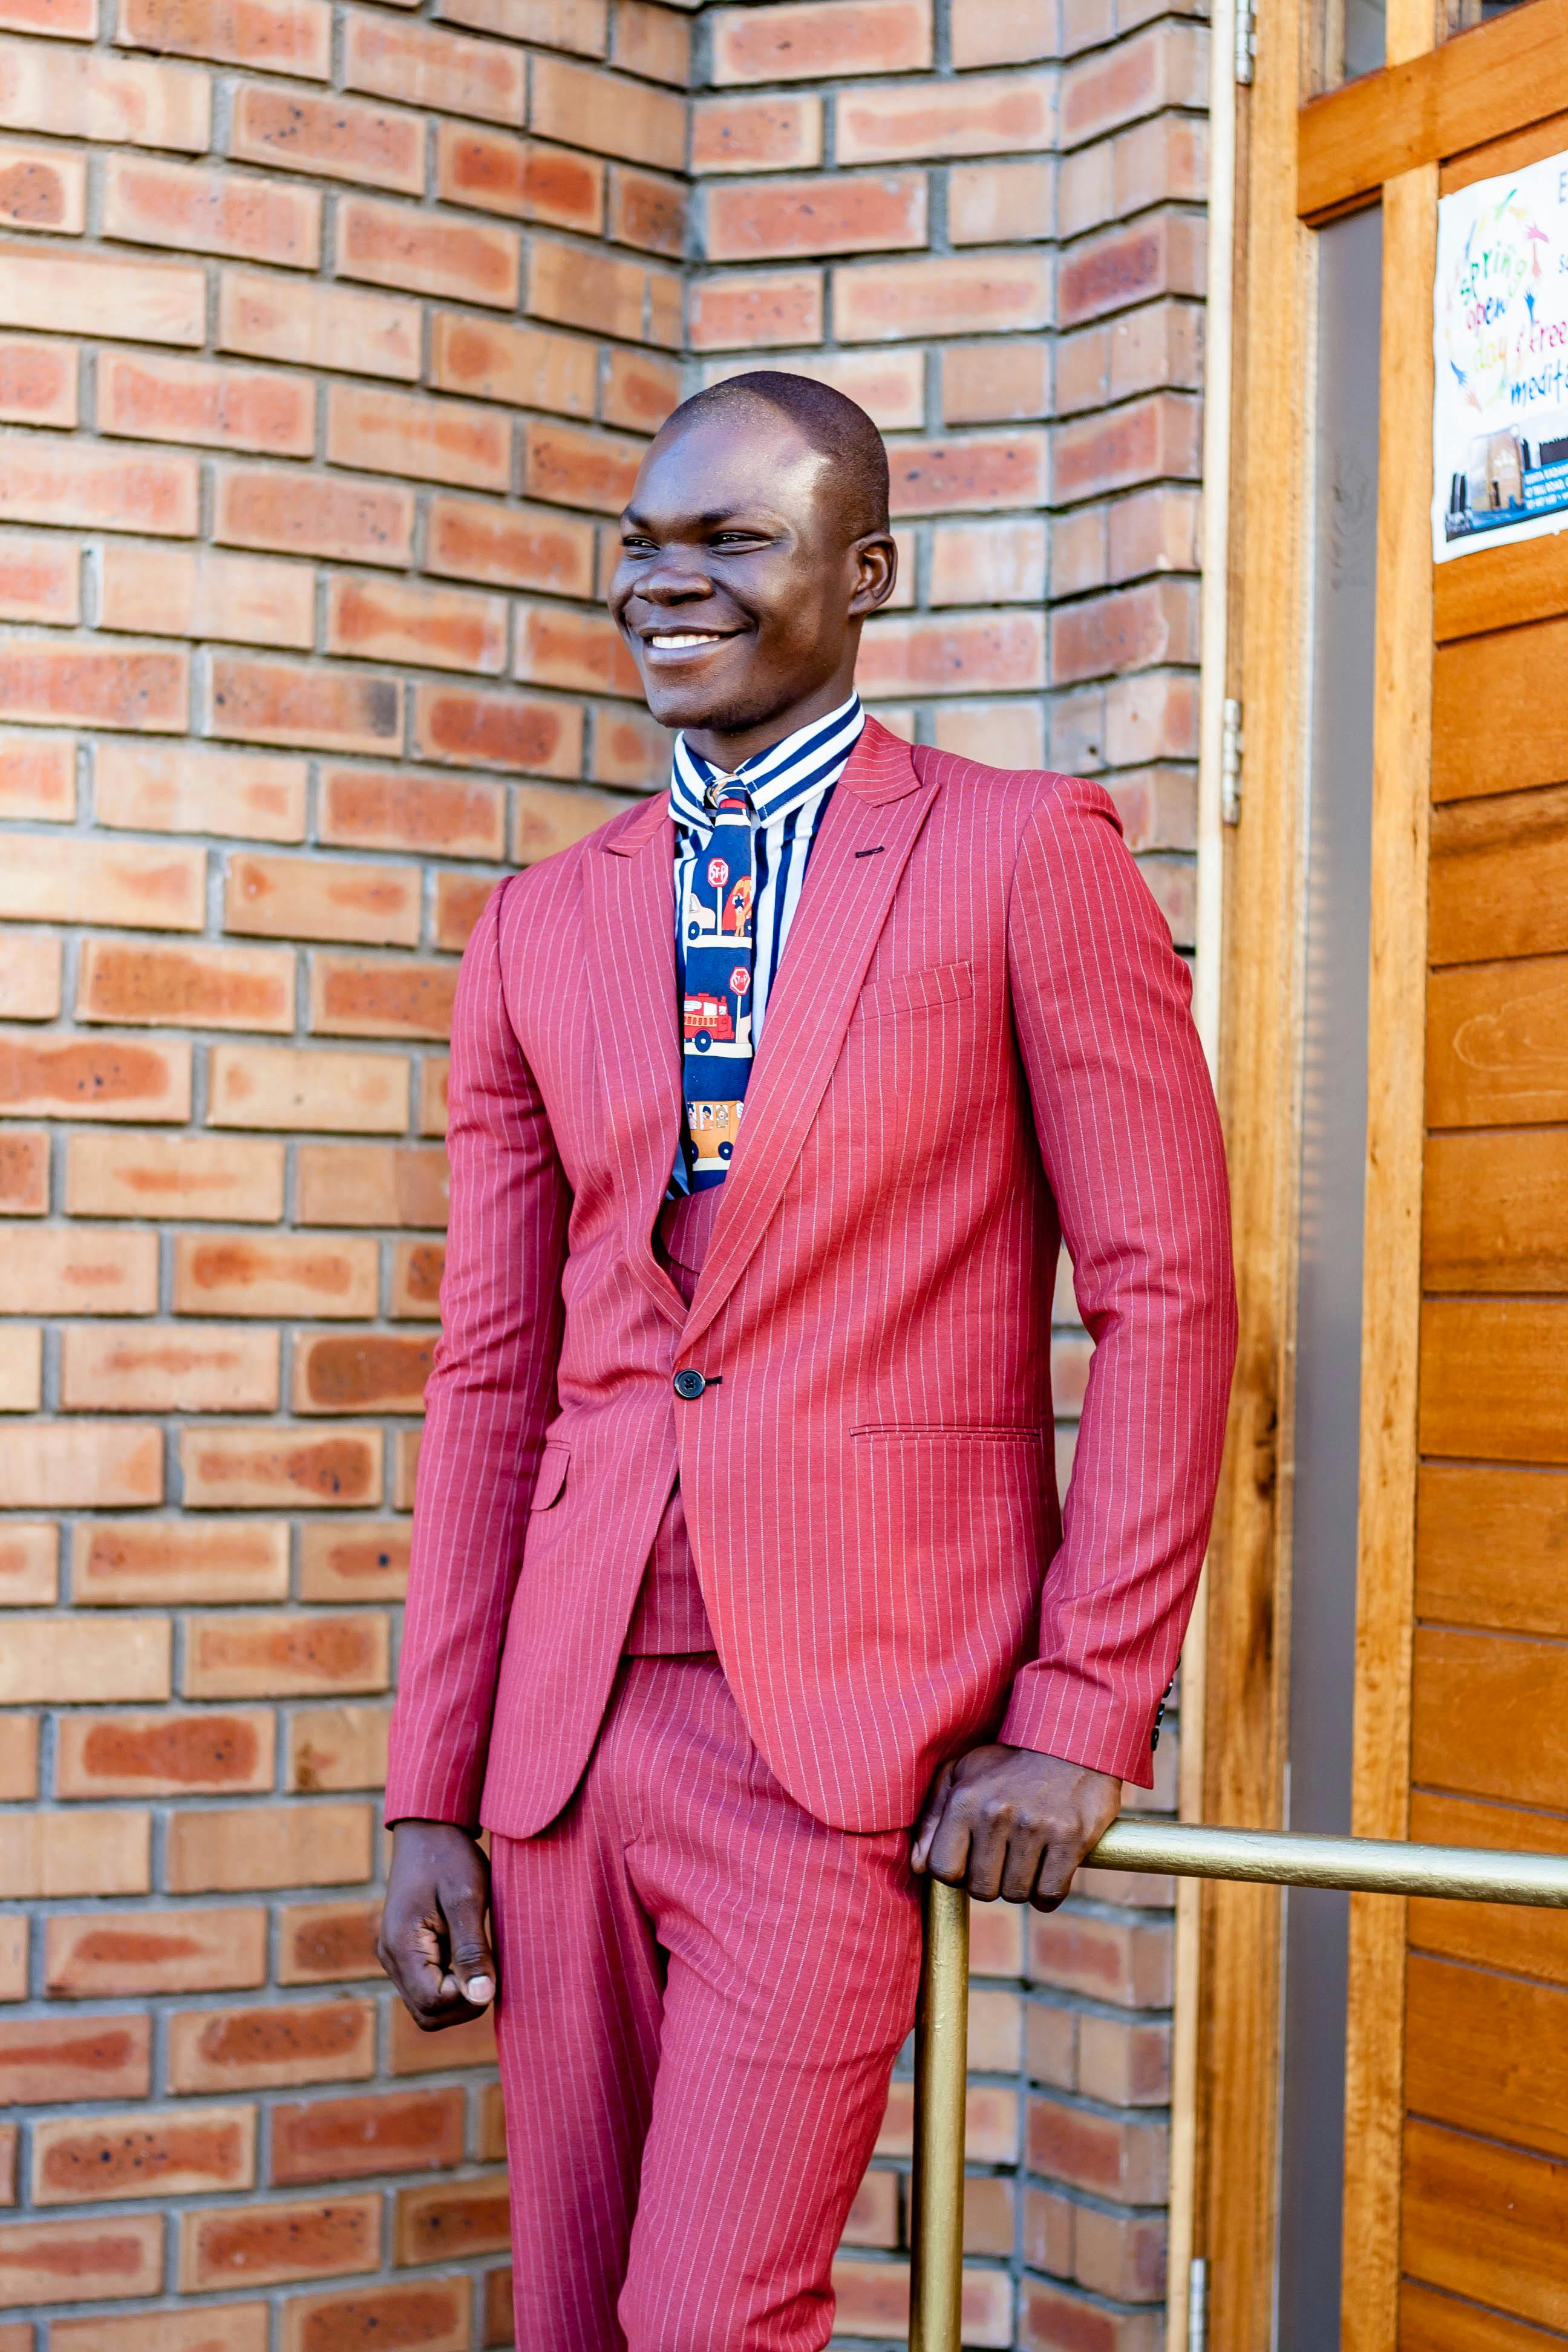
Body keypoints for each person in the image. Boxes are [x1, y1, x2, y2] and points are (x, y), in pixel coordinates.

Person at [379, 371, 1237, 2352]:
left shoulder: (1026, 856)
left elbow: (1168, 1295)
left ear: (866, 577)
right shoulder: (532, 930)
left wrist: (1085, 1711)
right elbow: (490, 1376)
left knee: (707, 2324)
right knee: (577, 2324)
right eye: (642, 546)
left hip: (840, 1742)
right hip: (562, 1741)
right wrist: (433, 1782)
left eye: (730, 543)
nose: (664, 586)